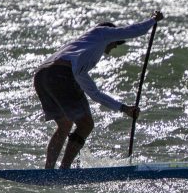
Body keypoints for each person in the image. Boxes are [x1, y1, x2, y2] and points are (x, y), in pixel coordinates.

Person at [34, 11, 164, 169]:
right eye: (116, 42)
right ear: (111, 35)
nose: (115, 46)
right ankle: (65, 169)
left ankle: (48, 171)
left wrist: (124, 108)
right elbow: (132, 31)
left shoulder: (79, 55)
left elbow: (94, 94)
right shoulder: (101, 32)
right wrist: (152, 20)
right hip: (61, 75)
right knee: (86, 124)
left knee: (65, 125)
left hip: (42, 76)